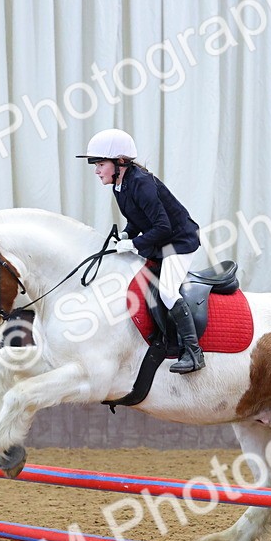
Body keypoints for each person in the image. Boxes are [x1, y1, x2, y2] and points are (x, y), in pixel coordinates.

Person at [77, 128, 205, 374]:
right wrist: (127, 235)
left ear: (119, 162)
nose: (96, 170)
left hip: (179, 242)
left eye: (100, 164)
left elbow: (163, 227)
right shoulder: (119, 185)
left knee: (167, 292)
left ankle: (194, 352)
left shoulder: (141, 183)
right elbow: (137, 219)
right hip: (161, 242)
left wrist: (135, 244)